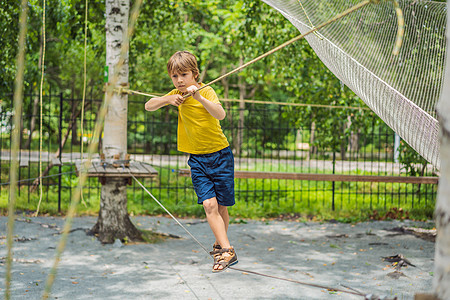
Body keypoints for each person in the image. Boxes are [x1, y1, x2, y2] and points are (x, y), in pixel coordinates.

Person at [144, 50, 237, 272]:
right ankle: (227, 250)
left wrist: (199, 98)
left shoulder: (206, 90)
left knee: (222, 207)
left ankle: (220, 246)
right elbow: (149, 105)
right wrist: (168, 99)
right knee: (209, 204)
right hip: (197, 159)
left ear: (194, 74)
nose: (179, 80)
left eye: (184, 75)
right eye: (175, 77)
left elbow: (220, 114)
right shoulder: (175, 94)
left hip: (221, 155)